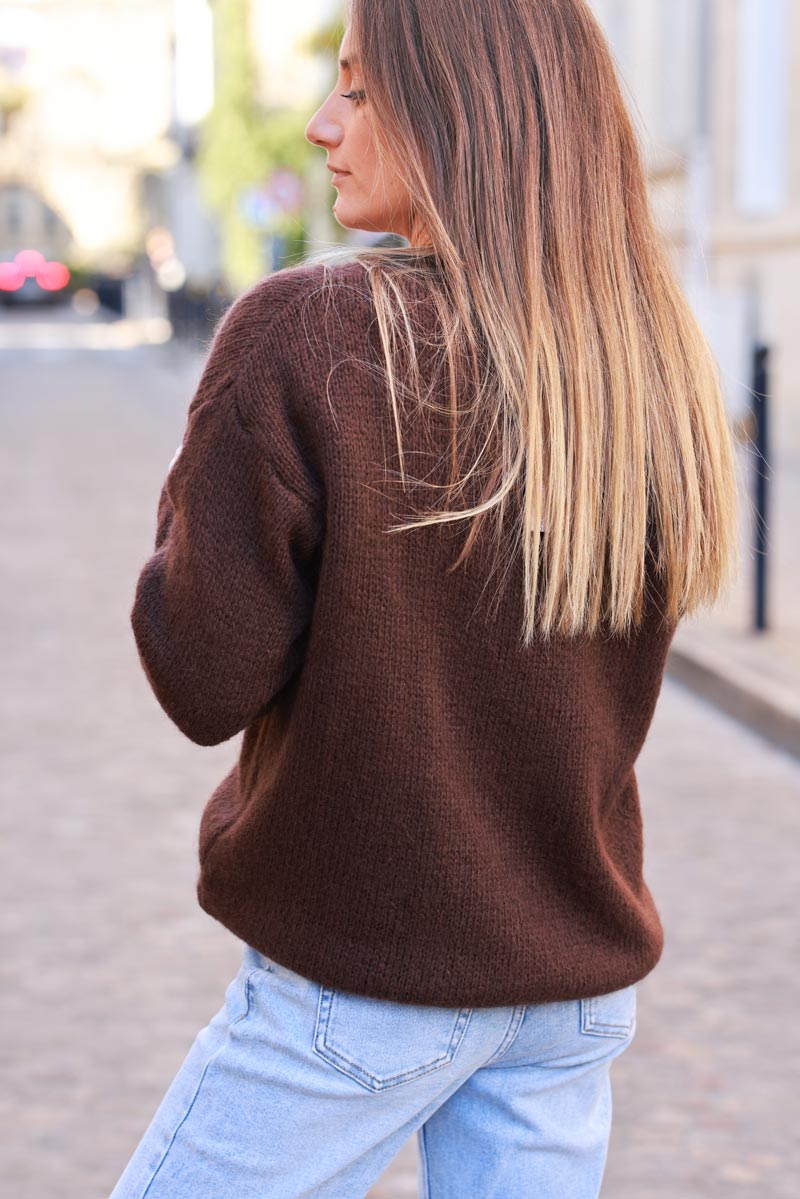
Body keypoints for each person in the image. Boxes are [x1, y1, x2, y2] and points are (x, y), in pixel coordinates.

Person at [109, 2, 739, 1196]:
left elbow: (200, 675)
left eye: (355, 88)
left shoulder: (308, 331)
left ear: (454, 108)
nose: (317, 124)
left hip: (365, 983)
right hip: (568, 996)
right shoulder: (640, 359)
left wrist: (205, 476)